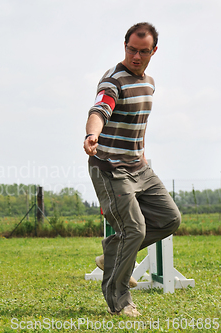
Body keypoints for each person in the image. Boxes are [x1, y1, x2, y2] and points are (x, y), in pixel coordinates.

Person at [83, 22, 181, 317]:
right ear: (124, 46)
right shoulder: (114, 81)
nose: (136, 56)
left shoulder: (149, 82)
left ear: (154, 51)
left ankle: (112, 253)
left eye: (143, 51)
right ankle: (120, 300)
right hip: (110, 168)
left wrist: (141, 155)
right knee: (134, 229)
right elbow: (100, 109)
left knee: (169, 219)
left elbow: (136, 124)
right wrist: (92, 134)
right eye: (131, 50)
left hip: (139, 166)